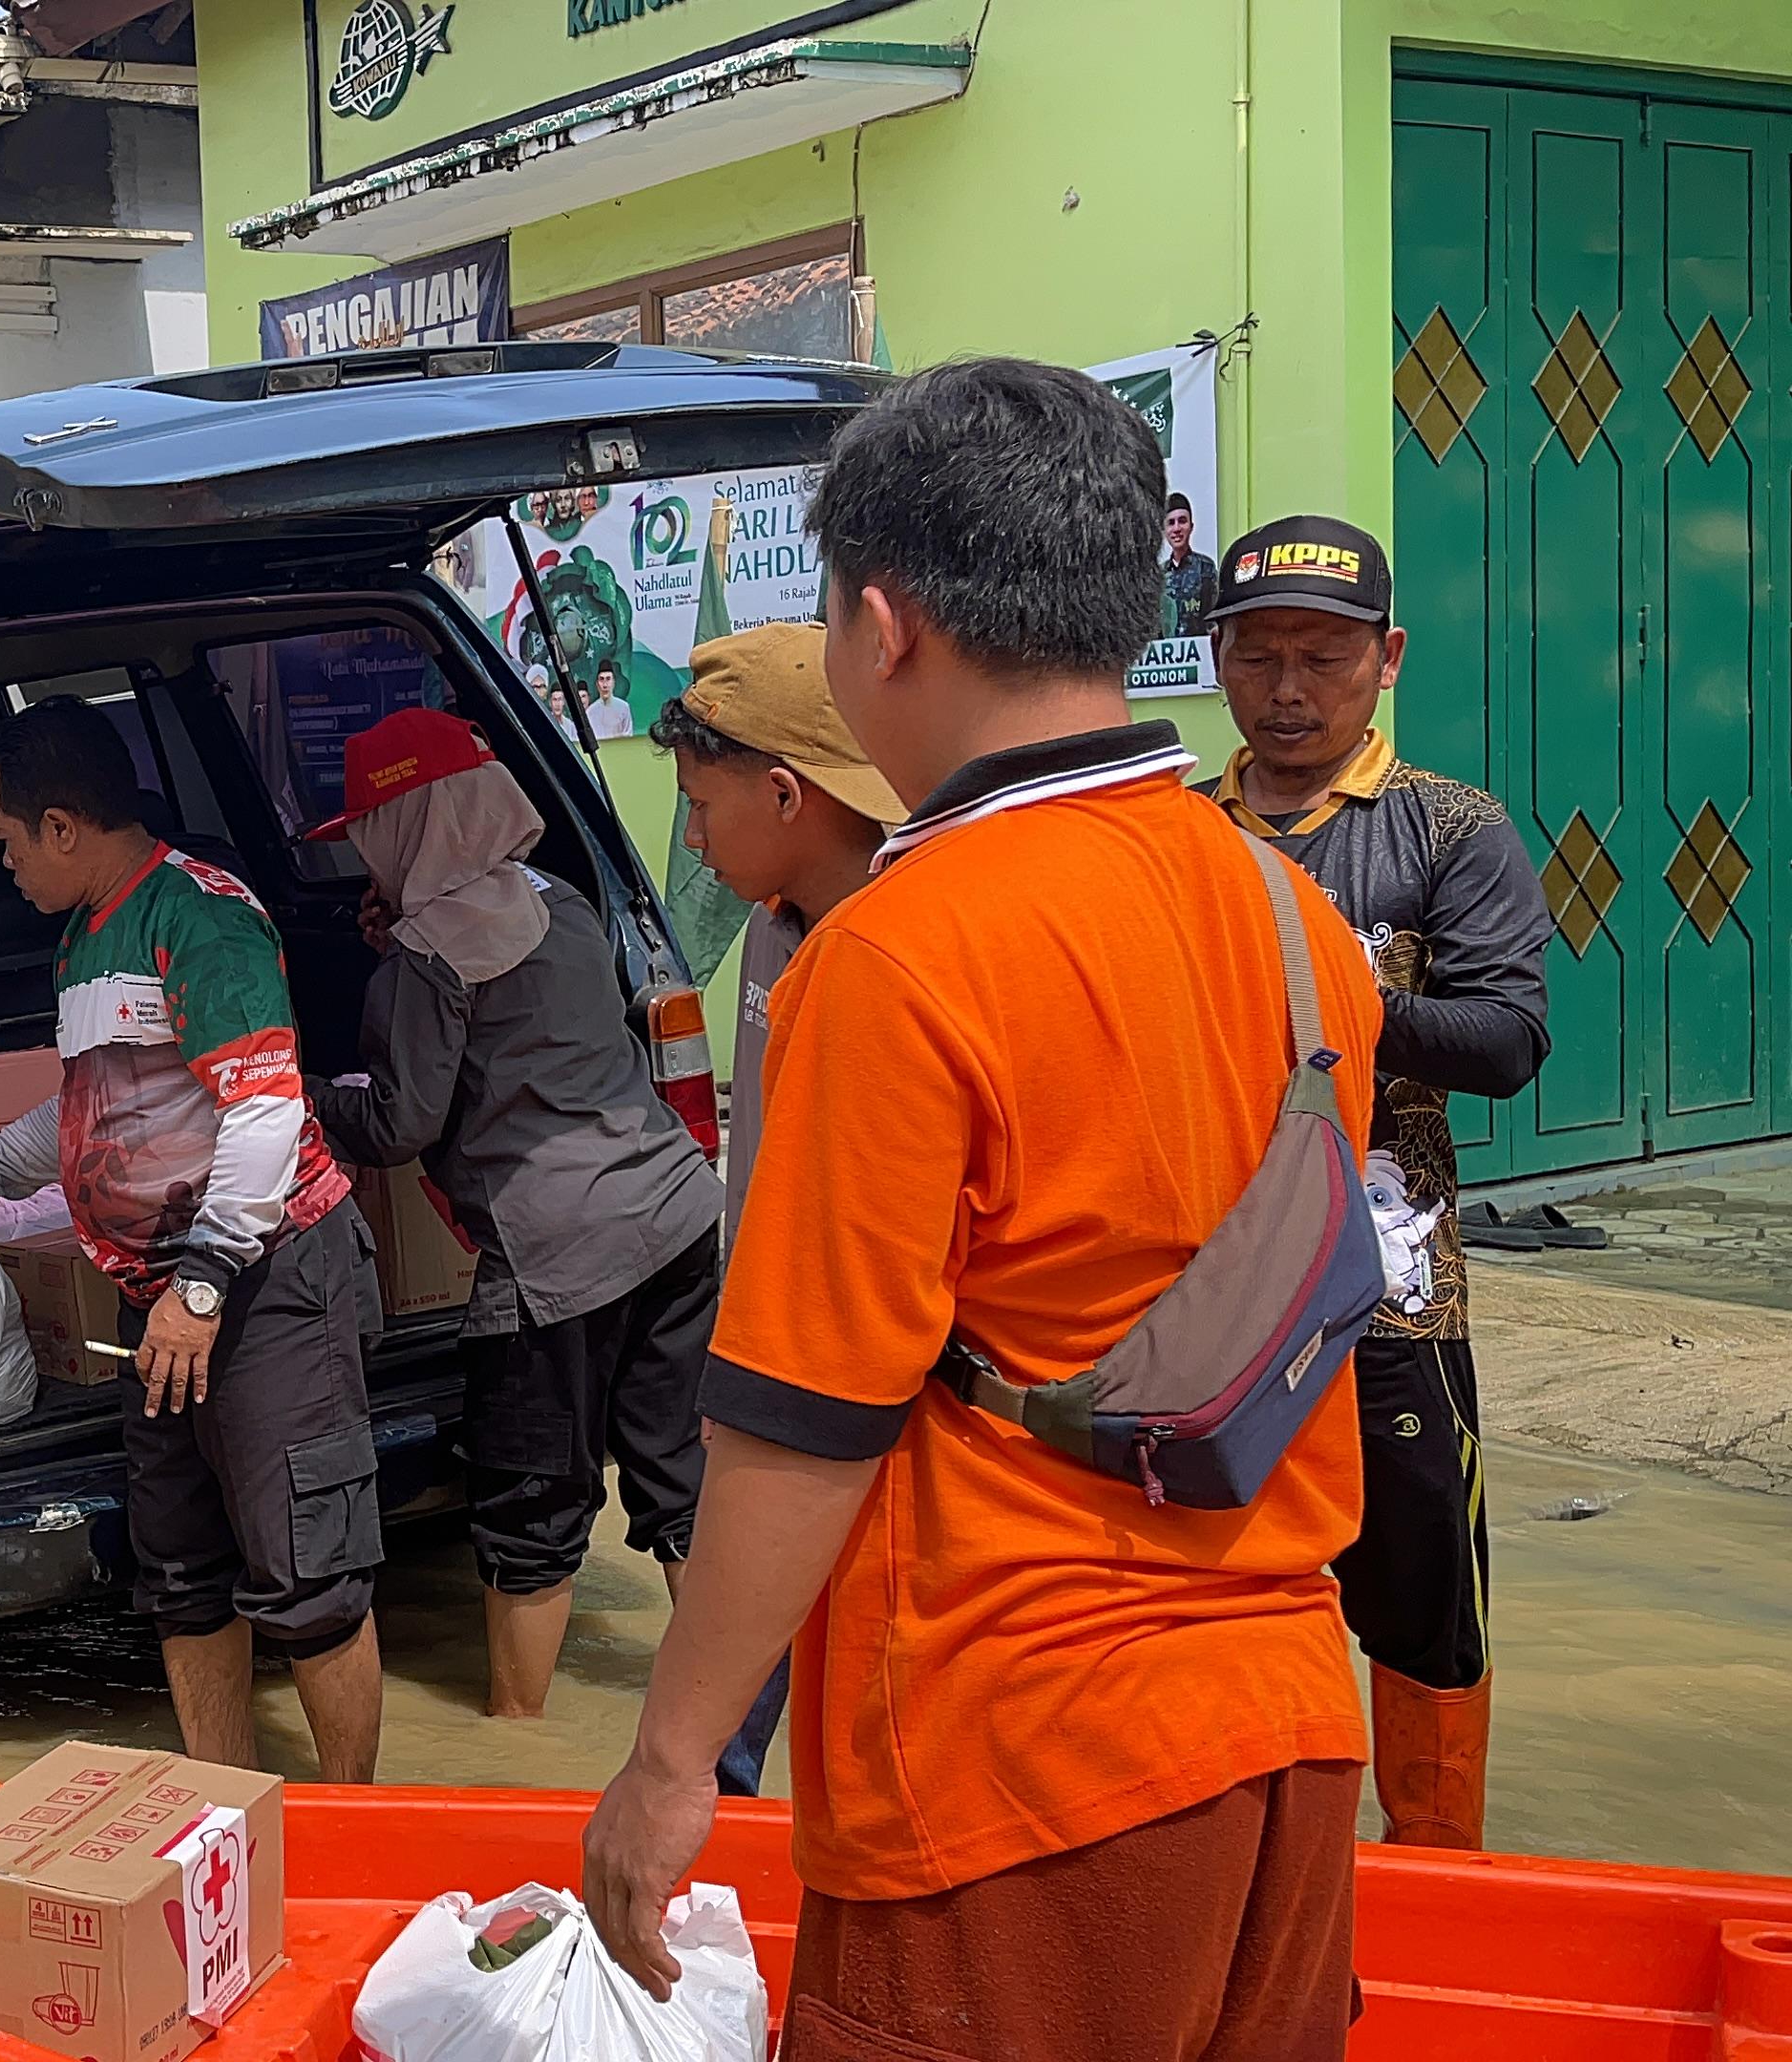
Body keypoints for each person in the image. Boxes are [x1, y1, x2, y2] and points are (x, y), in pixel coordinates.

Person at [581, 358, 1382, 2061]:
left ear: (883, 626)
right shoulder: (1289, 914)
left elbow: (805, 1427)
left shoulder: (893, 961)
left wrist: (666, 1769)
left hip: (1015, 1771)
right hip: (1294, 1734)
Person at [0, 697, 387, 1784]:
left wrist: (200, 1289)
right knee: (184, 1571)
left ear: (64, 827)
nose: (2, 866)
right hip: (161, 1297)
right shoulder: (84, 940)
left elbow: (264, 1111)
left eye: (7, 841)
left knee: (309, 1573)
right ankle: (229, 1799)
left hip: (261, 1281)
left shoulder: (198, 916)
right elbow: (82, 1116)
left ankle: (352, 1824)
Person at [1205, 514, 1549, 1849]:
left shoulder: (1450, 830)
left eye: (1326, 660)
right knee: (1224, 1592)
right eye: (1260, 656)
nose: (1290, 691)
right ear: (1218, 662)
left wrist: (1319, 995)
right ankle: (1255, 1867)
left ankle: (1439, 1869)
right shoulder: (1179, 835)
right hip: (1215, 1296)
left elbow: (1509, 1039)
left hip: (1394, 1301)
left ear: (1386, 659)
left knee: (1422, 1608)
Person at [298, 706, 725, 1731]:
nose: (363, 851)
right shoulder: (564, 898)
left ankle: (515, 1742)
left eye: (369, 831)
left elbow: (401, 1122)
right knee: (682, 1480)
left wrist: (301, 1094)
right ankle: (732, 1714)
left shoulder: (425, 962)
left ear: (407, 825)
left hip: (555, 1260)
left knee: (533, 1514)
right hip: (676, 1218)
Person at [648, 620, 911, 1793]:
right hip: (763, 1342)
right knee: (728, 1703)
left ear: (788, 793)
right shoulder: (768, 933)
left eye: (703, 809)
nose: (693, 844)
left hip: (875, 1392)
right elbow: (753, 1149)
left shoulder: (912, 942)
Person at [1165, 492, 1220, 642]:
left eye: (1182, 521)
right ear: (1164, 531)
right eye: (1171, 523)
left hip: (1199, 656)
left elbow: (1214, 618)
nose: (1176, 528)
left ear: (1191, 526)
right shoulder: (1157, 575)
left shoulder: (1205, 568)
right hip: (1167, 659)